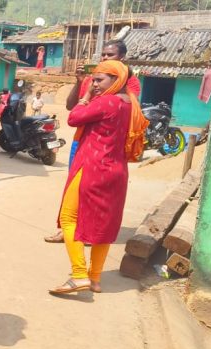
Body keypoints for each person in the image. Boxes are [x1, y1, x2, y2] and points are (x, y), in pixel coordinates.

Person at [49, 60, 145, 294]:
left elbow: (74, 117)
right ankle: (95, 279)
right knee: (105, 225)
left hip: (92, 167)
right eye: (93, 80)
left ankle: (79, 274)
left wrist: (86, 96)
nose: (94, 84)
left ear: (117, 80)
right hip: (117, 172)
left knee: (69, 217)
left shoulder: (107, 102)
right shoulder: (131, 104)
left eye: (100, 80)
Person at [45, 39, 141, 243]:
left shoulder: (128, 82)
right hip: (84, 139)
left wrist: (92, 101)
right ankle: (67, 228)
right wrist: (81, 83)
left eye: (110, 55)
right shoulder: (93, 78)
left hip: (106, 145)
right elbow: (72, 107)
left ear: (122, 58)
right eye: (103, 54)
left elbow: (127, 107)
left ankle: (89, 232)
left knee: (97, 191)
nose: (105, 58)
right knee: (75, 186)